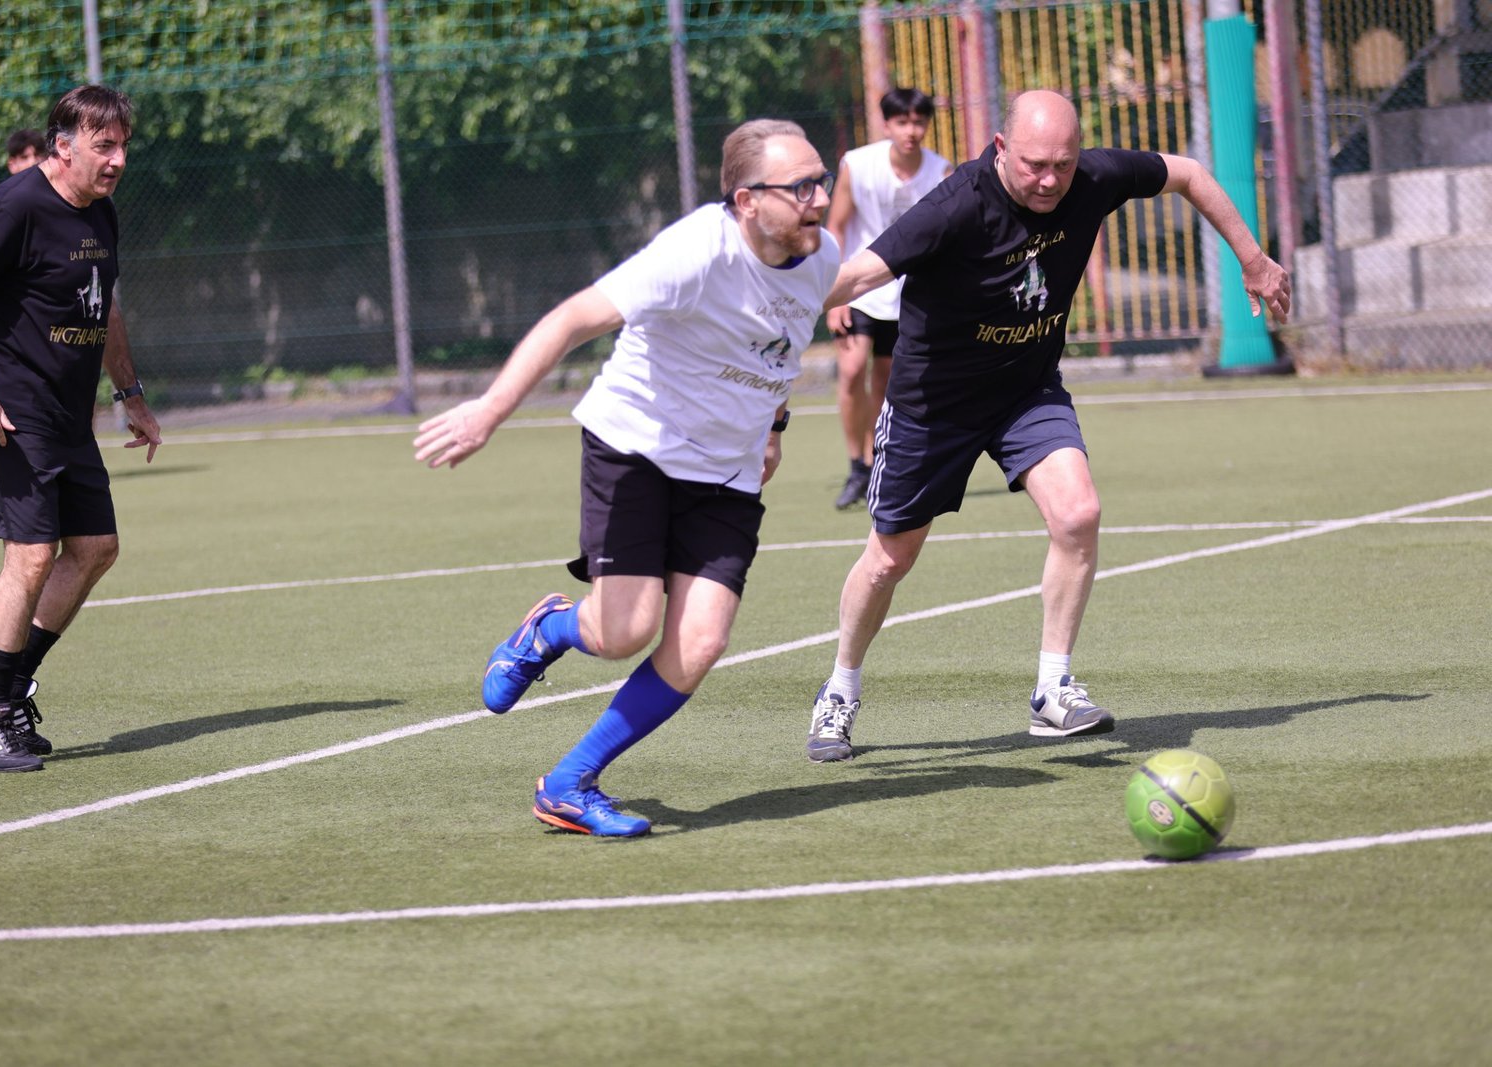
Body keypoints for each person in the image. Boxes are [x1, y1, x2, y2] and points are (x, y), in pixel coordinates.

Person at [805, 90, 1291, 762]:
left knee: (1078, 513)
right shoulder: (956, 206)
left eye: (1063, 165)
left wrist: (1253, 258)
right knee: (890, 559)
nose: (1049, 180)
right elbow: (860, 272)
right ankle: (839, 688)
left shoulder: (1092, 177)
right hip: (933, 404)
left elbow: (1188, 174)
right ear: (1001, 148)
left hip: (1024, 390)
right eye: (1035, 165)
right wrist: (767, 301)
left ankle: (1052, 691)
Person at [413, 119, 840, 837]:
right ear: (746, 201)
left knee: (700, 643)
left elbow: (780, 350)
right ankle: (549, 629)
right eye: (801, 187)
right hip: (636, 447)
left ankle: (569, 784)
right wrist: (489, 411)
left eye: (821, 180)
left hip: (726, 472)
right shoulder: (694, 253)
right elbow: (572, 318)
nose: (820, 198)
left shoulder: (819, 255)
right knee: (625, 632)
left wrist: (773, 427)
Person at [0, 85, 162, 773]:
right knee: (30, 557)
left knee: (95, 548)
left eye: (123, 146)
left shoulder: (102, 212)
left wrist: (132, 395)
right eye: (104, 146)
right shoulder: (16, 205)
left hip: (68, 416)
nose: (118, 160)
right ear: (62, 146)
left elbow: (103, 307)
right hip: (10, 413)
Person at [825, 88, 952, 510]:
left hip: (907, 295)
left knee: (885, 381)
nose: (911, 131)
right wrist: (835, 294)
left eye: (919, 122)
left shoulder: (940, 172)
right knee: (851, 370)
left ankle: (874, 460)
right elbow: (836, 227)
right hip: (860, 287)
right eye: (902, 122)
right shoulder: (857, 165)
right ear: (885, 125)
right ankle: (855, 467)